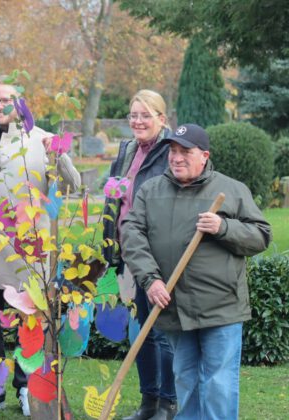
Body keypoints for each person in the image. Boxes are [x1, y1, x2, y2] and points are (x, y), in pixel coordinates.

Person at [121, 124, 272, 420]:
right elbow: (132, 235)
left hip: (220, 306)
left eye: (185, 152)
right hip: (173, 304)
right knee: (185, 378)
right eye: (173, 151)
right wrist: (150, 280)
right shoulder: (151, 190)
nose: (176, 158)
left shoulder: (231, 190)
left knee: (219, 384)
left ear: (204, 155)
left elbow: (261, 235)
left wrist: (224, 227)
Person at [0, 81, 80, 416]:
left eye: (6, 99)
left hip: (29, 248)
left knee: (30, 323)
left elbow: (72, 184)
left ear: (20, 104)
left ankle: (27, 387)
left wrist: (57, 155)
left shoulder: (42, 138)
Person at [101, 90, 177, 420]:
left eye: (145, 115)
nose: (138, 121)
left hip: (157, 255)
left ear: (162, 118)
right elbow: (116, 197)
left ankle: (168, 403)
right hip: (129, 255)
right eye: (133, 115)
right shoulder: (128, 150)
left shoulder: (171, 151)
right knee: (141, 332)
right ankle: (149, 401)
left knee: (160, 331)